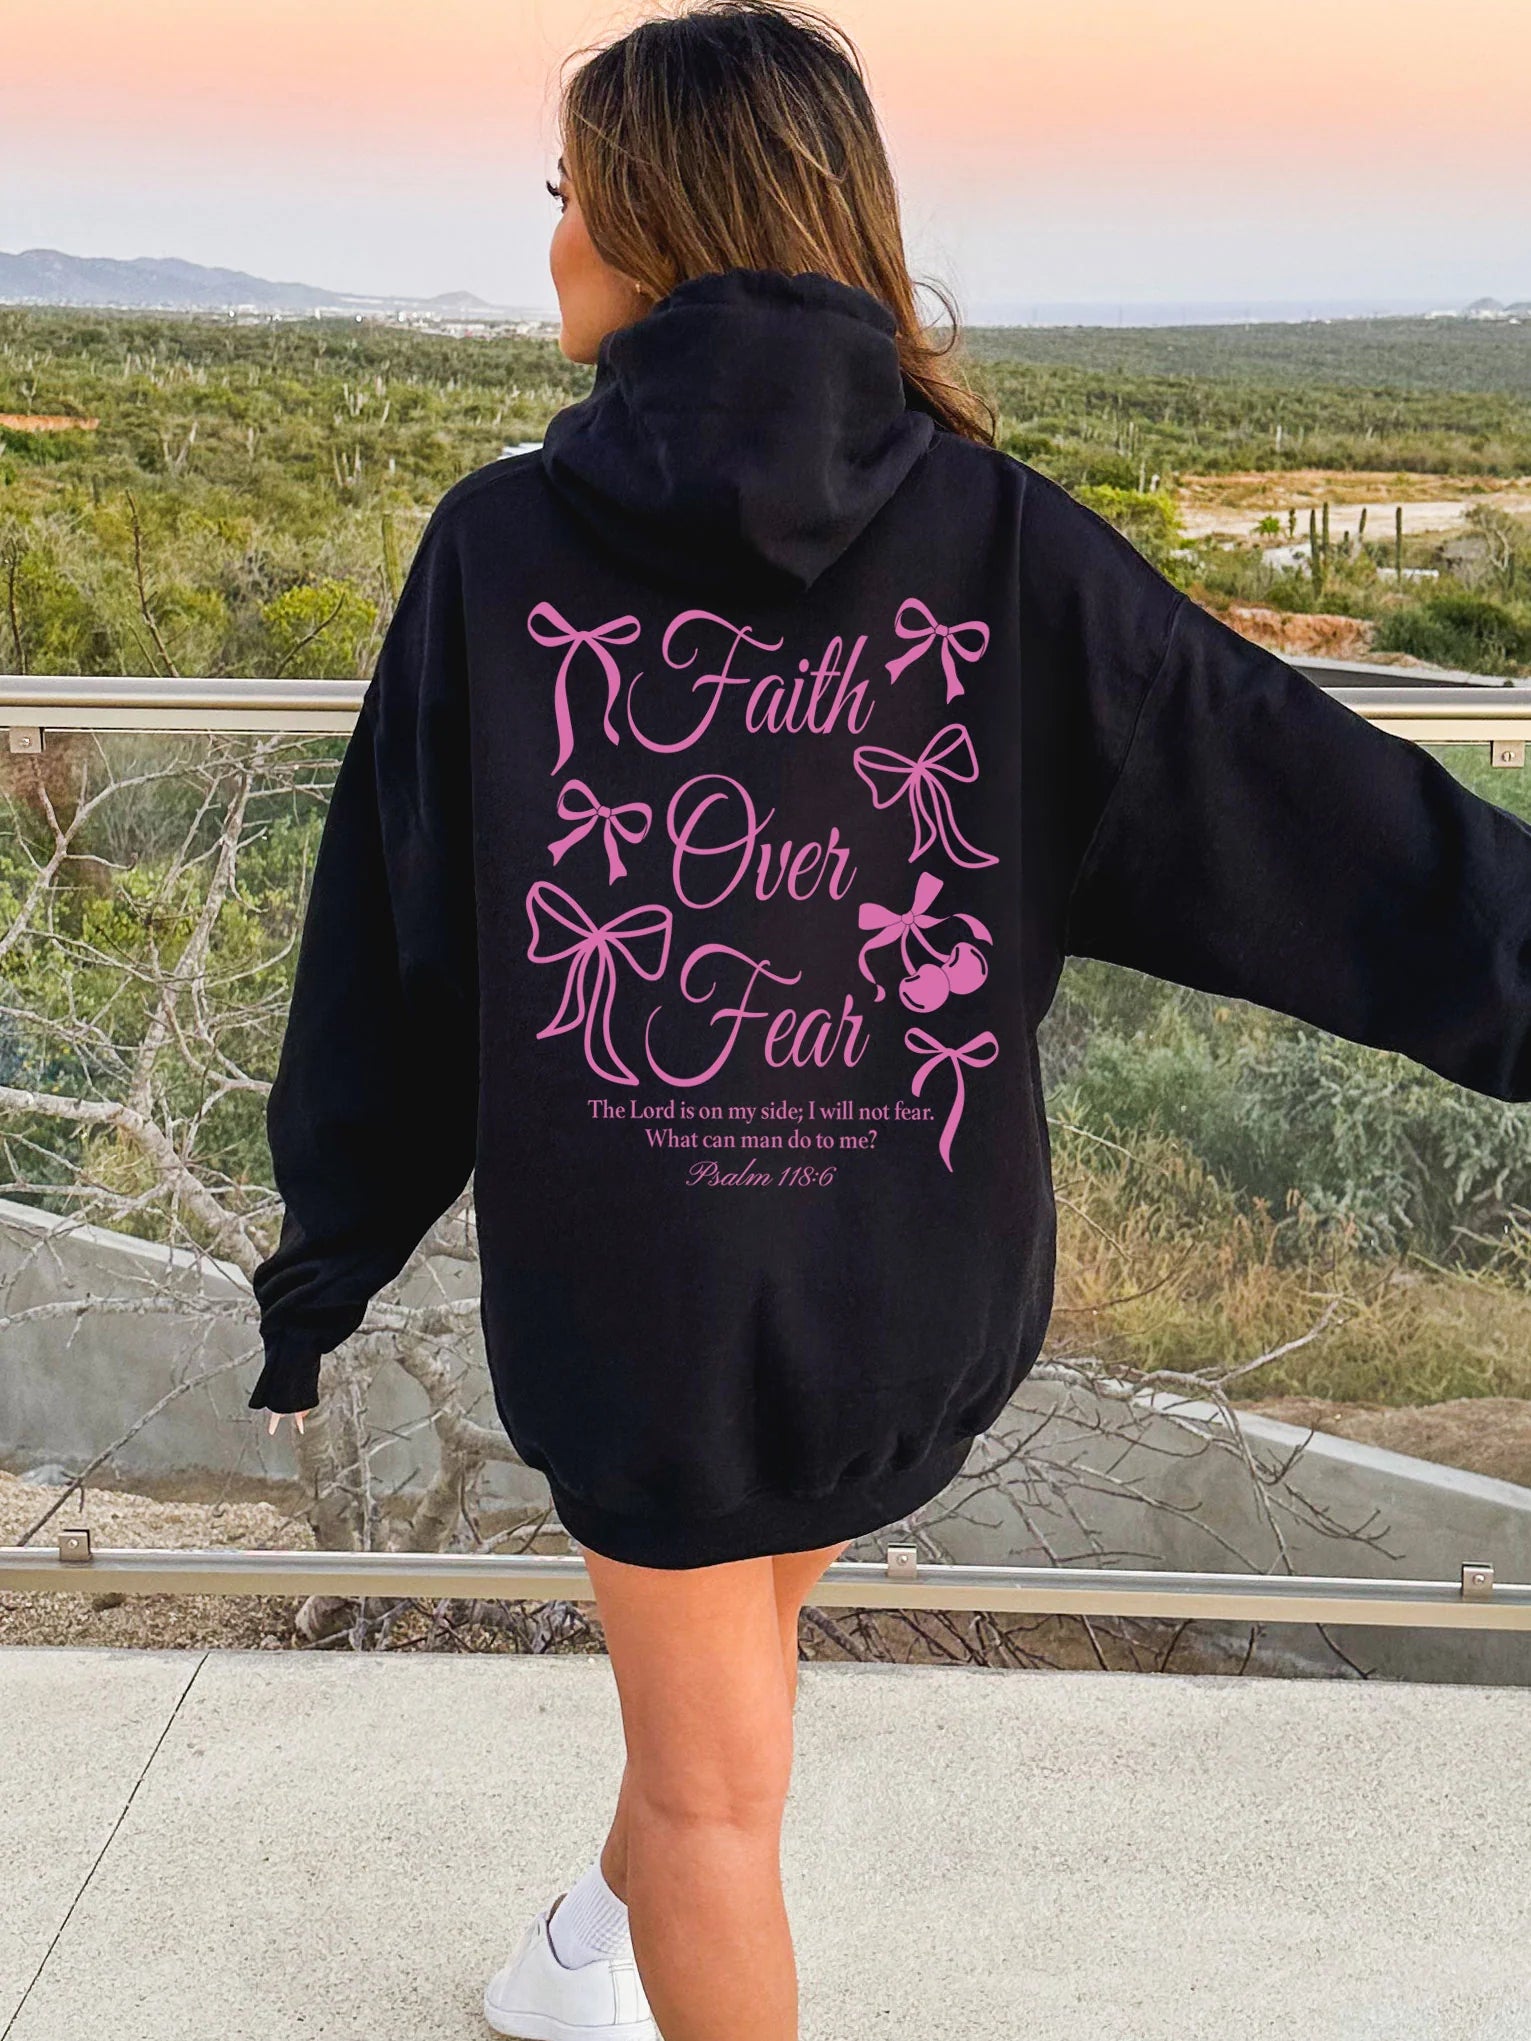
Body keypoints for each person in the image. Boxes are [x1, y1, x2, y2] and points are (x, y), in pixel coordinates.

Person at [246, 5, 1531, 2038]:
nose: (550, 233)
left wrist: (328, 1244)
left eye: (570, 192)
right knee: (719, 1698)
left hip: (650, 1313)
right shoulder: (1004, 542)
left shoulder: (502, 551)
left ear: (657, 220)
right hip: (908, 1278)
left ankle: (621, 1939)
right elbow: (1332, 826)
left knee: (710, 1792)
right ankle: (578, 1961)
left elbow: (393, 950)